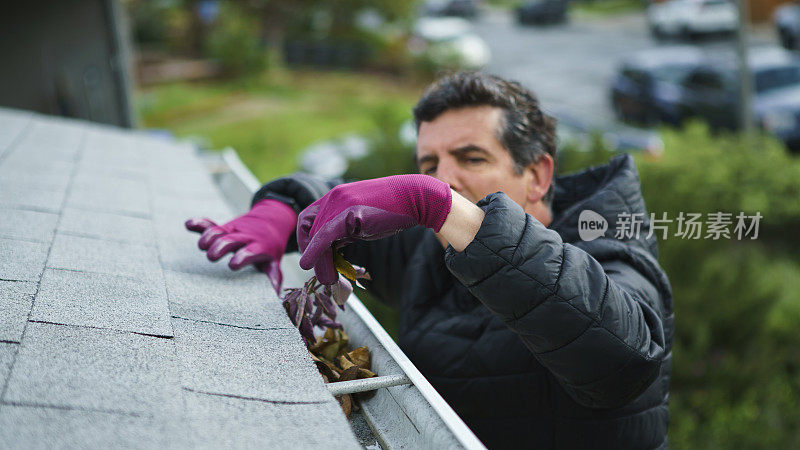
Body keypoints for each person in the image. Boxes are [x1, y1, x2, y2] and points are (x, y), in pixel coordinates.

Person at [186, 72, 673, 449]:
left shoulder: (612, 252)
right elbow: (339, 209)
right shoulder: (429, 248)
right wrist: (284, 211)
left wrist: (434, 202)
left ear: (538, 175)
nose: (446, 180)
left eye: (472, 158)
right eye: (429, 167)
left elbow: (623, 359)